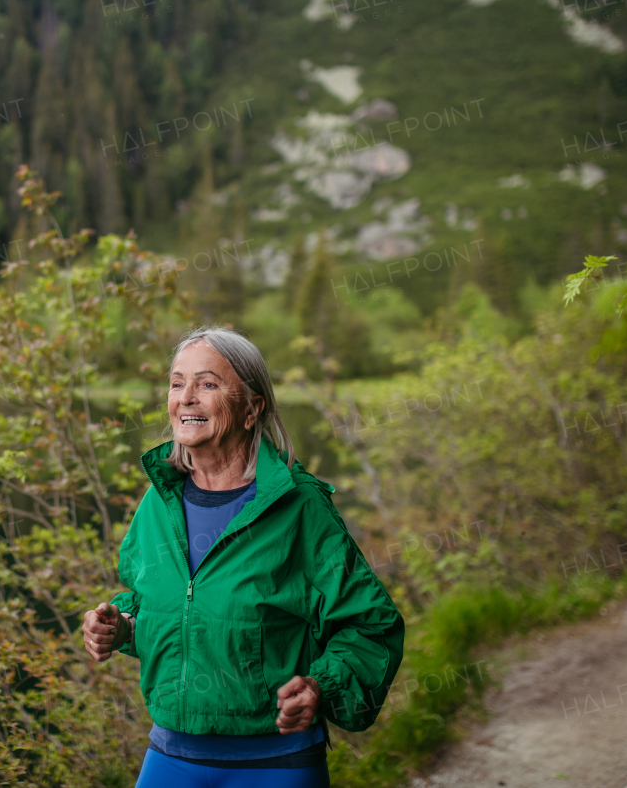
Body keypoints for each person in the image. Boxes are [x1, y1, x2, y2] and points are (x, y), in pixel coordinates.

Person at [82, 326, 404, 787]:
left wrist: (320, 685)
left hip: (277, 761)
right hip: (172, 754)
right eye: (177, 383)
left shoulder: (301, 507)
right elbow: (166, 602)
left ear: (252, 409)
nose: (186, 398)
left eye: (208, 384)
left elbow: (371, 626)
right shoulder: (159, 501)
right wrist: (122, 626)